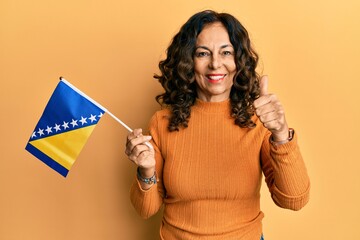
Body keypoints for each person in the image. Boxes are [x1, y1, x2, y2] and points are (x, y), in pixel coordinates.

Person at [125, 10, 310, 240]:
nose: (215, 64)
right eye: (203, 53)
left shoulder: (259, 121)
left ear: (239, 61)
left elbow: (294, 199)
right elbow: (146, 210)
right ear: (188, 61)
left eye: (226, 52)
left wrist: (281, 135)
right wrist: (146, 171)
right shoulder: (162, 123)